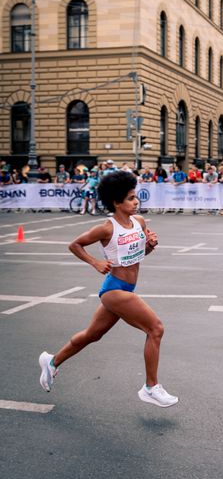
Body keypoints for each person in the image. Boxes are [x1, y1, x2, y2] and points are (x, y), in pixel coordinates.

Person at [38, 170, 178, 408]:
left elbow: (138, 255)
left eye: (136, 197)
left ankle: (51, 361)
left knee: (93, 335)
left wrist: (151, 246)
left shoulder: (139, 222)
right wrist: (96, 262)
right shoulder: (106, 228)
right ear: (116, 202)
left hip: (126, 288)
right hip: (114, 289)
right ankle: (150, 387)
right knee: (156, 329)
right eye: (131, 198)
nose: (136, 202)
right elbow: (75, 245)